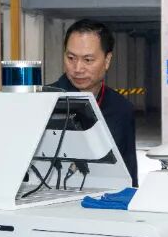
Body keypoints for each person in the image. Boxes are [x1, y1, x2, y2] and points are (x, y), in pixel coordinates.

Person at [49, 19, 138, 186]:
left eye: (88, 60)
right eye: (71, 58)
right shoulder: (45, 101)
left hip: (104, 199)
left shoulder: (122, 109)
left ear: (107, 60)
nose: (77, 68)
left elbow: (128, 174)